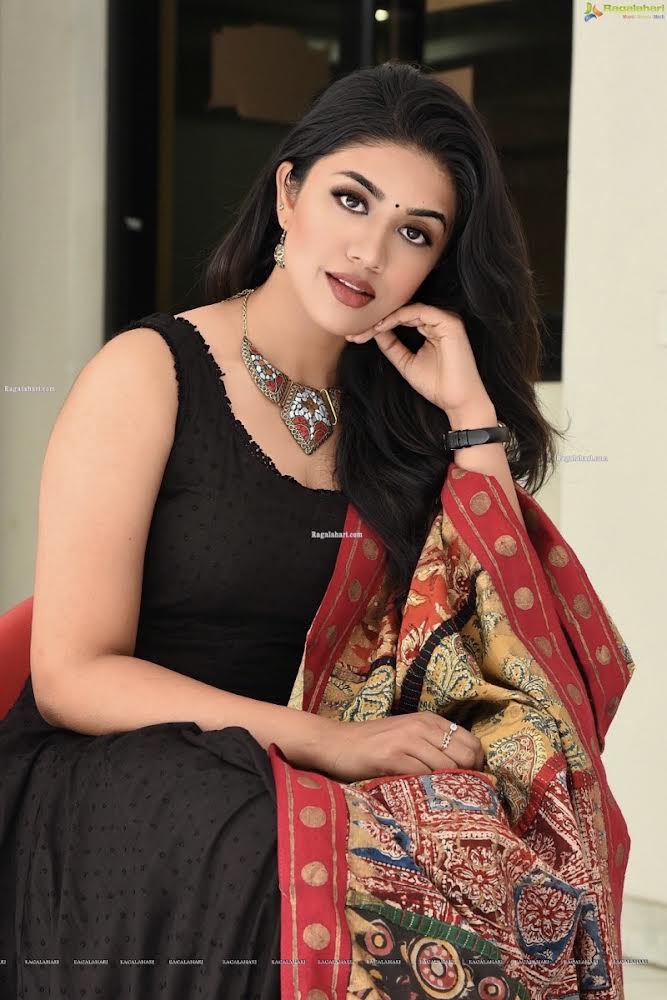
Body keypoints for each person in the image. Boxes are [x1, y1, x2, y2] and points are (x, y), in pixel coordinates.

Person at [0, 61, 635, 999]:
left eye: (412, 232)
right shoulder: (147, 374)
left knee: (492, 850)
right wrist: (320, 743)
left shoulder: (400, 419)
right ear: (287, 193)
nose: (368, 252)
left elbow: (500, 630)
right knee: (291, 858)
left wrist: (468, 416)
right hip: (128, 772)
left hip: (312, 774)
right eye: (350, 199)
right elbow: (70, 676)